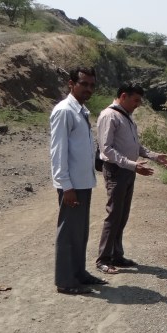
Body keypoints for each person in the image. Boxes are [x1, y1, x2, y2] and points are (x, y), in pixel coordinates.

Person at [95, 84, 167, 273]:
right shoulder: (109, 116)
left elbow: (136, 146)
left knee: (122, 215)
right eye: (135, 100)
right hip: (116, 170)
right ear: (123, 96)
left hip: (127, 170)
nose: (138, 105)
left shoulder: (126, 117)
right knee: (114, 215)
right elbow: (107, 149)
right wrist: (132, 165)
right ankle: (103, 260)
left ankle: (116, 256)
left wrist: (153, 155)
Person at [49, 65, 104, 294]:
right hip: (72, 185)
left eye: (91, 85)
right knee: (68, 232)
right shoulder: (64, 111)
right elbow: (58, 151)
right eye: (83, 84)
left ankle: (79, 273)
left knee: (80, 232)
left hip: (83, 182)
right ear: (71, 84)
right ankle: (65, 281)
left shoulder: (81, 110)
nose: (88, 89)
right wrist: (66, 186)